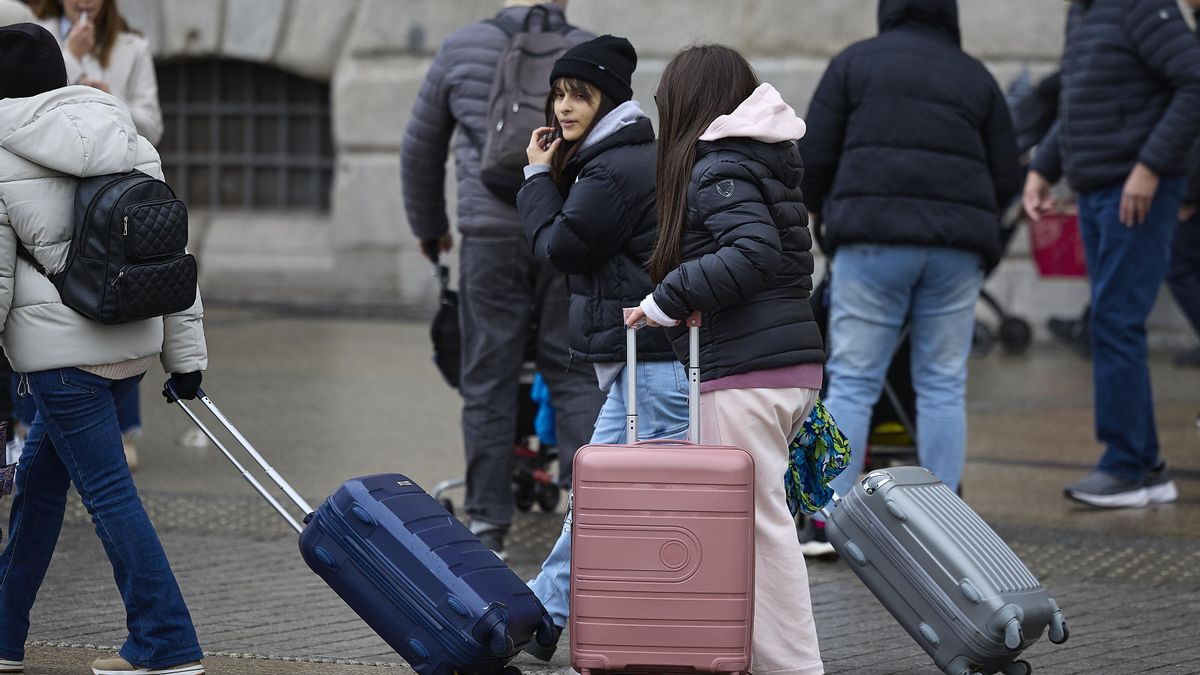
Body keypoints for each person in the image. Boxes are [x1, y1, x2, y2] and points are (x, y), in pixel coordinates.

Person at [0, 23, 206, 675]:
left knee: (111, 496)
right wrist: (186, 358)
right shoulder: (127, 137)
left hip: (61, 363)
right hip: (129, 345)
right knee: (37, 487)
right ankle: (3, 633)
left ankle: (166, 641)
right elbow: (172, 257)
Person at [625, 44, 825, 675]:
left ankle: (792, 667)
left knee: (758, 532)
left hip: (745, 374)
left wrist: (666, 299)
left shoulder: (718, 167)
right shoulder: (768, 159)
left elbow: (752, 252)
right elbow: (779, 262)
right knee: (758, 526)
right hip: (788, 367)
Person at [401, 0, 605, 558]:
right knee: (573, 373)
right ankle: (589, 514)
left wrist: (431, 228)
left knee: (488, 376)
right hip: (566, 231)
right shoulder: (588, 47)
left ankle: (488, 524)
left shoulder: (462, 47)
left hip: (489, 233)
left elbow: (421, 147)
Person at [798, 0, 1020, 505]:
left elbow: (813, 160)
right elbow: (1007, 174)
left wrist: (820, 216)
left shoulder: (853, 63)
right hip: (956, 252)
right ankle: (946, 518)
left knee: (853, 380)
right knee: (942, 385)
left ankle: (831, 515)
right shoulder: (975, 75)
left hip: (871, 245)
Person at [515, 35, 688, 659]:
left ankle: (547, 613)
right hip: (647, 360)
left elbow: (562, 246)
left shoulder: (614, 167)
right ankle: (544, 612)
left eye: (579, 95)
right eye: (559, 94)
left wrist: (536, 177)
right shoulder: (617, 156)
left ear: (608, 100)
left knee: (633, 501)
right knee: (602, 492)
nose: (563, 107)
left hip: (657, 364)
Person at [1024, 0, 1200, 508]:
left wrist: (1150, 168)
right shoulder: (1085, 13)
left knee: (1115, 320)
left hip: (1136, 190)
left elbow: (1193, 82)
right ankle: (1143, 466)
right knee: (1111, 321)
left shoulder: (1142, 6)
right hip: (1101, 190)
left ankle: (1129, 466)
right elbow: (1079, 104)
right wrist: (1044, 168)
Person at [36, 0, 167, 470]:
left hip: (111, 202)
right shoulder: (40, 33)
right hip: (52, 196)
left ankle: (122, 431)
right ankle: (48, 431)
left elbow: (151, 123)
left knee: (120, 311)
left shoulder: (131, 46)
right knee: (57, 314)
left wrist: (108, 96)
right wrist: (69, 55)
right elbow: (22, 106)